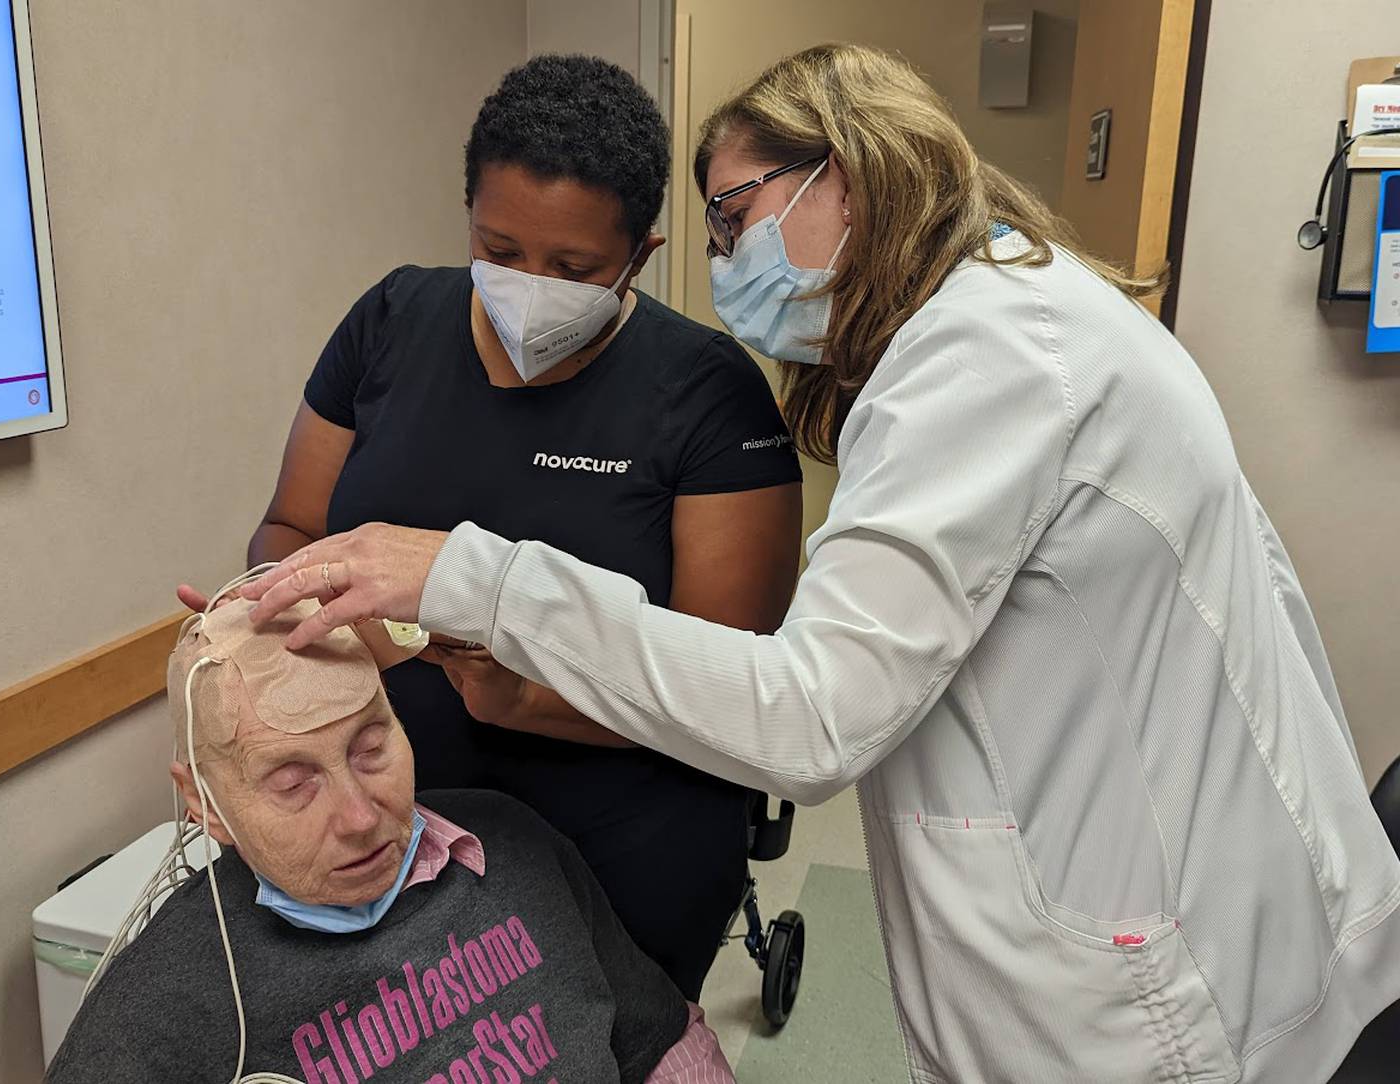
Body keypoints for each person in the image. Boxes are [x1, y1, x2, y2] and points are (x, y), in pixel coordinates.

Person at [241, 42, 1400, 1083]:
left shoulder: (994, 356)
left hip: (1172, 995)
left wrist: (475, 578)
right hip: (1160, 915)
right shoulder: (1006, 326)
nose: (726, 260)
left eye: (735, 215)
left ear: (846, 166)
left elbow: (806, 717)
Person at [184, 54, 803, 1001]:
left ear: (642, 251)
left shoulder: (706, 394)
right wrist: (275, 608)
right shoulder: (391, 321)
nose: (528, 286)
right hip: (387, 834)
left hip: (618, 851)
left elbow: (730, 691)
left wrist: (519, 694)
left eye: (573, 267)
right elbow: (292, 524)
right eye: (500, 251)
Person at [48, 585, 732, 1084]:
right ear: (207, 804)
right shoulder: (170, 1002)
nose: (361, 816)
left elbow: (662, 1044)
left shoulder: (515, 845)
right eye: (293, 783)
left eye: (371, 748)